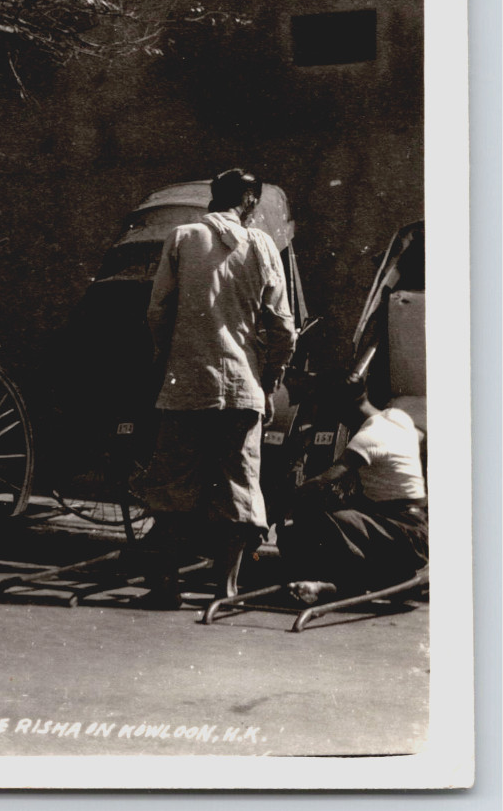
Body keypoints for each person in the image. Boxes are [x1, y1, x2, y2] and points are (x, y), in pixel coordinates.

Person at [134, 168, 298, 608]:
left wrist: (165, 360)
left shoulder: (183, 237)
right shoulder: (262, 245)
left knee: (172, 485)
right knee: (239, 485)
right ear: (248, 200)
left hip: (186, 385)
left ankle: (166, 587)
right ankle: (225, 589)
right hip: (243, 386)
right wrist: (273, 374)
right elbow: (283, 327)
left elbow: (158, 312)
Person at [279, 395, 427, 602]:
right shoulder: (398, 418)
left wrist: (281, 503)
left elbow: (324, 480)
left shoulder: (371, 435)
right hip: (413, 527)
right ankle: (371, 579)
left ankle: (353, 582)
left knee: (317, 515)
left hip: (403, 531)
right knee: (302, 529)